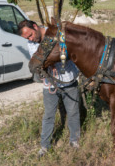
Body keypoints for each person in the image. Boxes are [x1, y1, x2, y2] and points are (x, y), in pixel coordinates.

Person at [18, 20, 80, 157]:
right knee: (48, 115)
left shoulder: (57, 32)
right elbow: (41, 62)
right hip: (49, 84)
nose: (30, 39)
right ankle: (45, 147)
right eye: (27, 38)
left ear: (35, 27)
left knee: (73, 112)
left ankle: (74, 141)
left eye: (30, 35)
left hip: (69, 79)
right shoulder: (32, 44)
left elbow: (66, 54)